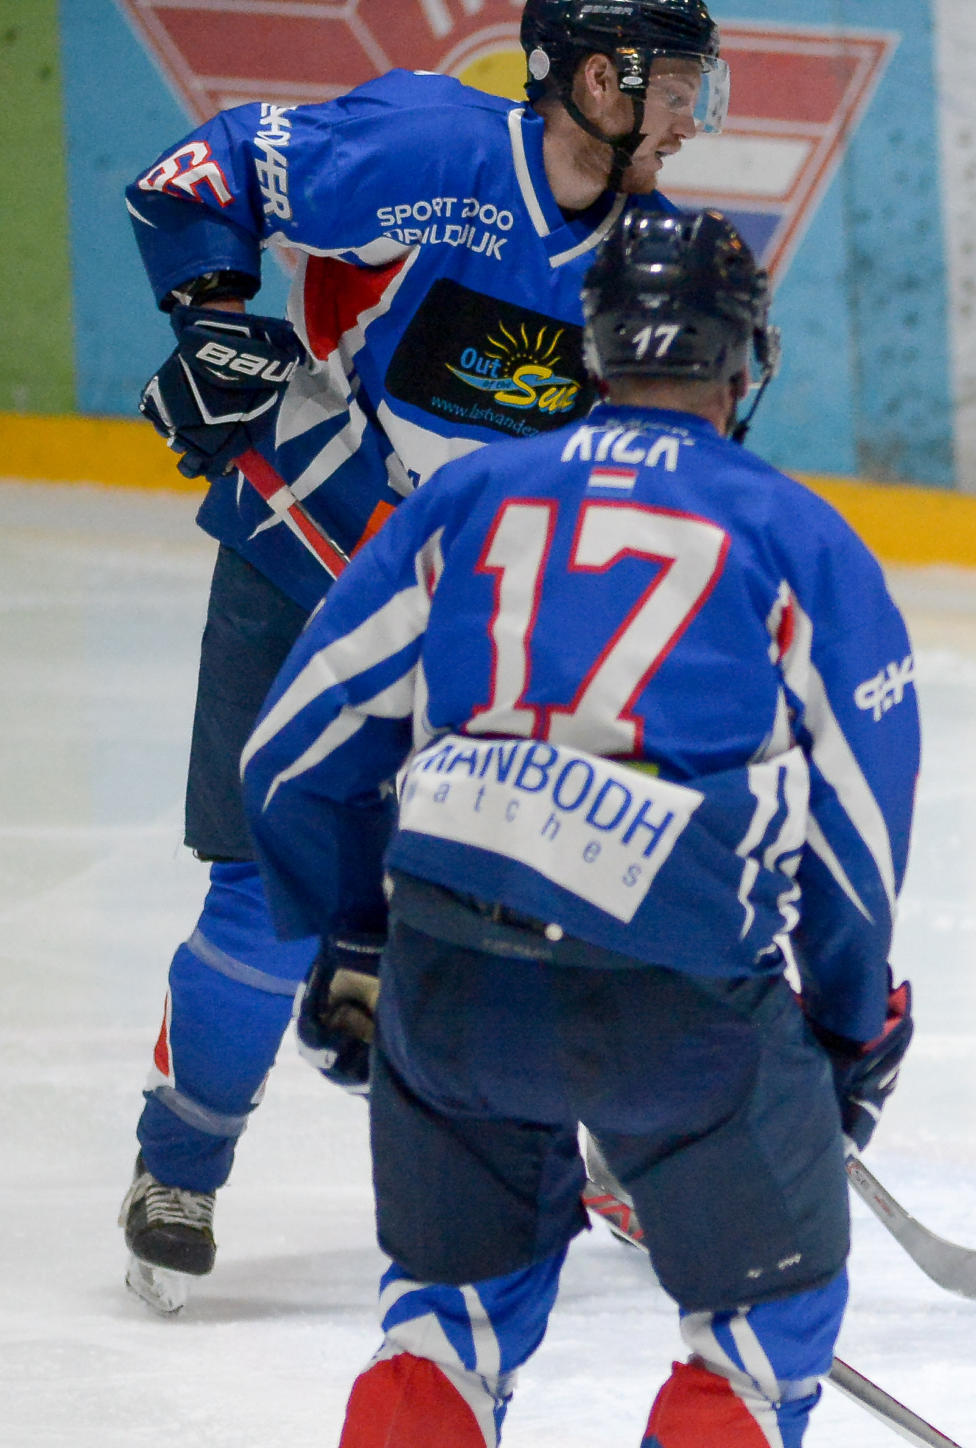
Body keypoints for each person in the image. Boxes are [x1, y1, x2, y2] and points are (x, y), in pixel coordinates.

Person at [241, 210, 919, 1448]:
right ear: (743, 361)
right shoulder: (795, 534)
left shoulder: (466, 497)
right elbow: (855, 832)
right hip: (677, 994)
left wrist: (354, 943)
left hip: (450, 971)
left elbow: (293, 750)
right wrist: (847, 1030)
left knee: (450, 1310)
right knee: (767, 1306)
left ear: (593, 347)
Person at [116, 0, 723, 1313]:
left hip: (484, 611)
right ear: (596, 80)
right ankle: (182, 1166)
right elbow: (197, 177)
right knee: (268, 904)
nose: (692, 120)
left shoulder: (656, 260)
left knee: (578, 871)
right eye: (675, 87)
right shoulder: (427, 147)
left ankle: (617, 1140)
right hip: (308, 552)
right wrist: (211, 317)